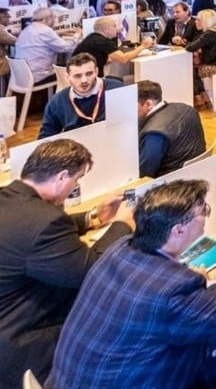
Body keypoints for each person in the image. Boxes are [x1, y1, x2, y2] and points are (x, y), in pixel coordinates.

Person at [46, 180, 216, 388]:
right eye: (203, 212)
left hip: (63, 382)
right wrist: (207, 283)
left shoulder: (118, 250)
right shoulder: (175, 291)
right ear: (178, 230)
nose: (206, 216)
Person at [0, 139, 134, 386]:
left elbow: (34, 232)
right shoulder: (46, 222)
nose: (76, 186)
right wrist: (122, 225)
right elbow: (92, 271)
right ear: (62, 177)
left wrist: (92, 217)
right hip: (23, 342)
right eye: (77, 179)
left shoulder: (10, 198)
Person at [39, 52, 124, 138]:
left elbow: (129, 125)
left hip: (112, 140)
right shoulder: (57, 102)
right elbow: (46, 137)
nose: (84, 80)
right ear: (67, 77)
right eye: (77, 76)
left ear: (96, 72)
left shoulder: (117, 89)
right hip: (75, 144)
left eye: (89, 74)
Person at [137, 80, 206, 177]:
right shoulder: (186, 108)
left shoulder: (154, 133)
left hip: (172, 181)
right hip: (199, 171)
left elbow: (144, 173)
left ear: (148, 104)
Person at [73, 16, 154, 77]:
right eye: (114, 26)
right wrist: (143, 46)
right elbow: (123, 59)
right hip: (89, 78)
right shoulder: (102, 41)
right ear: (106, 29)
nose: (118, 29)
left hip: (79, 74)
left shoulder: (92, 37)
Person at [14, 7, 77, 83]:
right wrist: (76, 37)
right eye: (54, 18)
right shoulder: (45, 31)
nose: (55, 21)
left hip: (21, 77)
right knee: (72, 73)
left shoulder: (26, 30)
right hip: (38, 77)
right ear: (48, 19)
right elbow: (65, 48)